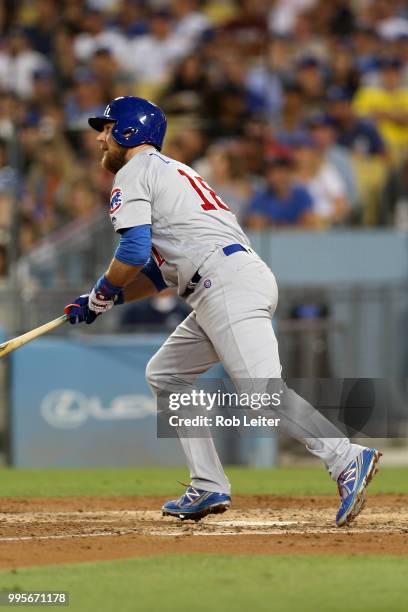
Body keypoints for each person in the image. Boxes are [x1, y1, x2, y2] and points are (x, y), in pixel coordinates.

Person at [65, 96, 381, 526]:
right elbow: (158, 276)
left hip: (224, 282)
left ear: (129, 132)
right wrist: (105, 298)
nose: (100, 138)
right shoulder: (174, 171)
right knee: (166, 375)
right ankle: (208, 483)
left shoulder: (134, 170)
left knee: (263, 393)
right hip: (223, 279)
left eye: (106, 128)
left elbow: (134, 250)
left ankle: (346, 457)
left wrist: (102, 291)